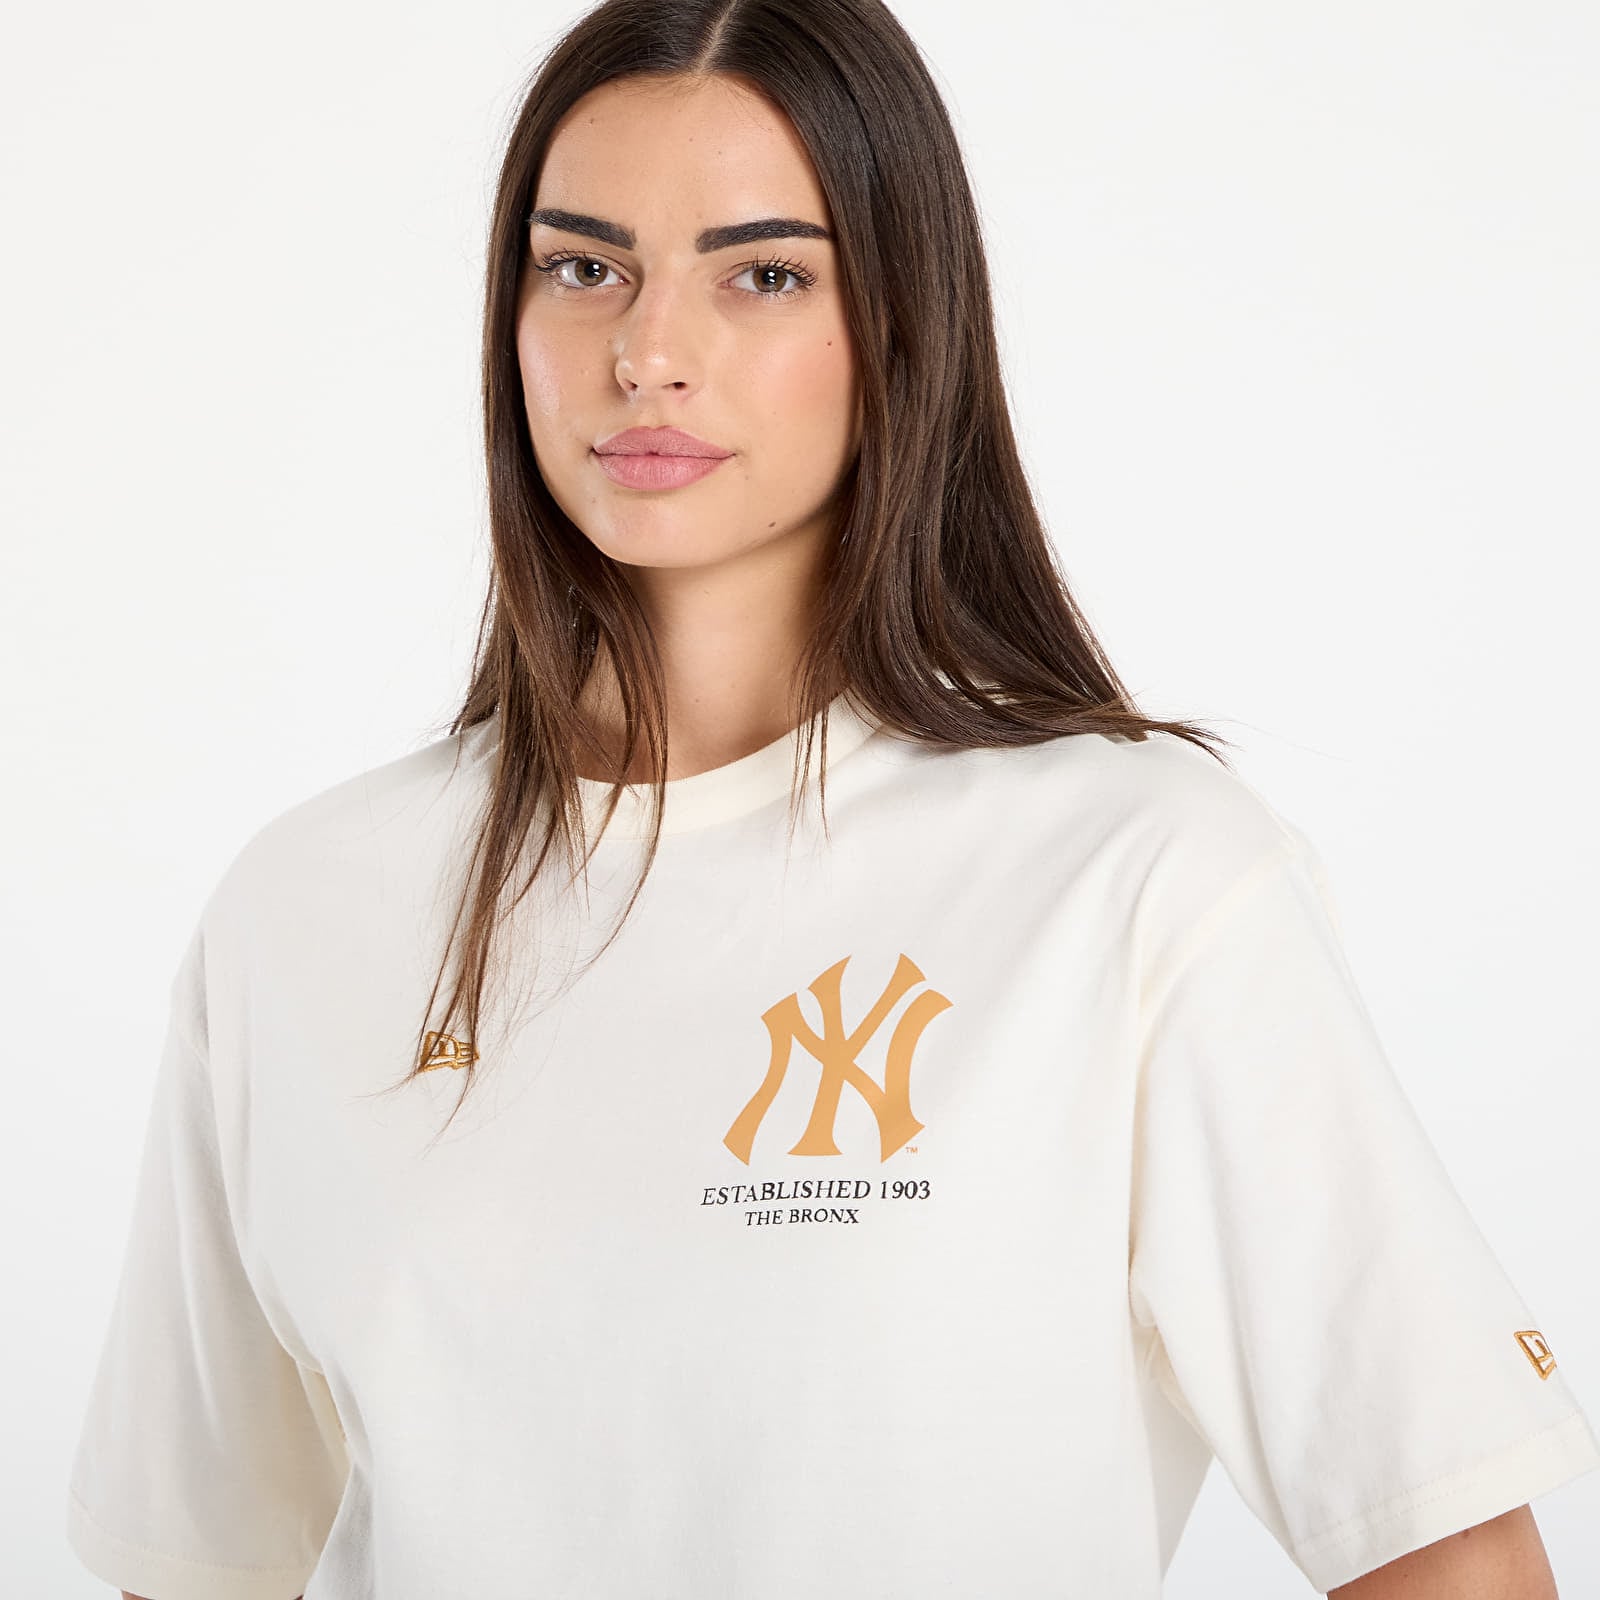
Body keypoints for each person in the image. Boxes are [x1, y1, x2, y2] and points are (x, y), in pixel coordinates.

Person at [66, 1, 1598, 1596]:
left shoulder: (1133, 875)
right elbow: (193, 1566)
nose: (647, 353)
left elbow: (1450, 1555)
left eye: (763, 275)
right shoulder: (306, 909)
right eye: (583, 268)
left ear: (901, 320)